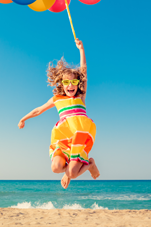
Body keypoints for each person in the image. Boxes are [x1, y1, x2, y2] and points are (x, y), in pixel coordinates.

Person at [18, 38, 100, 189]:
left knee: (72, 174)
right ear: (61, 84)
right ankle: (68, 170)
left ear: (78, 84)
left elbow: (84, 71)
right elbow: (39, 110)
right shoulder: (57, 99)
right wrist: (24, 118)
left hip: (78, 137)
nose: (70, 85)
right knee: (55, 167)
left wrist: (81, 50)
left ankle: (89, 165)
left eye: (74, 82)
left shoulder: (80, 97)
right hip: (63, 137)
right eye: (67, 82)